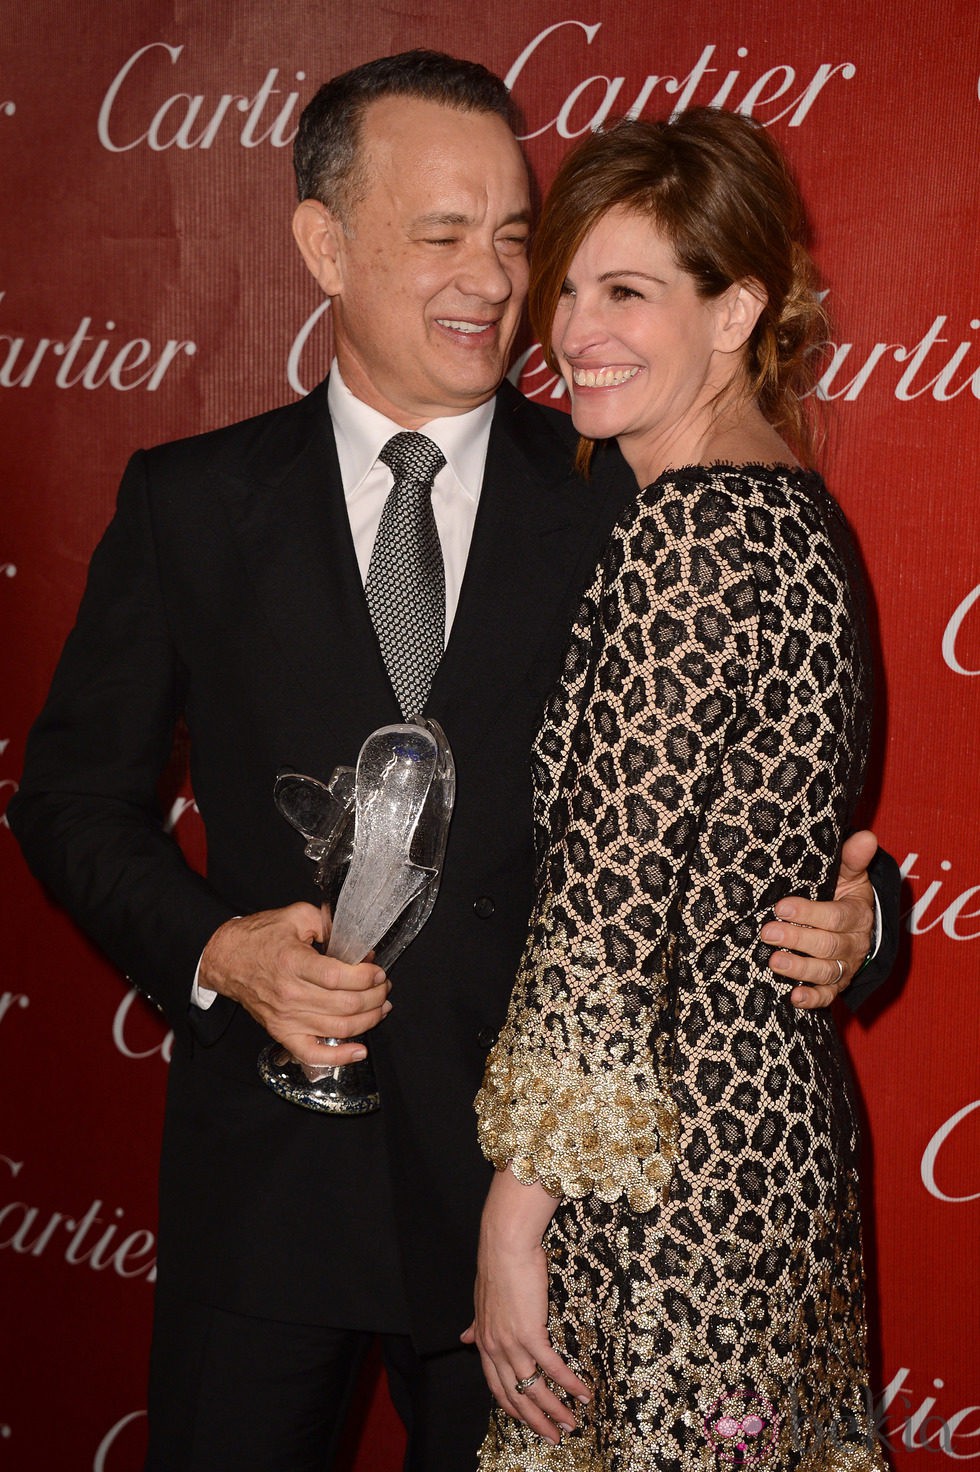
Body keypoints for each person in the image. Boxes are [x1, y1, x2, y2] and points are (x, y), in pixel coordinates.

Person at [9, 55, 896, 1472]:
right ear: (322, 243)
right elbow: (68, 801)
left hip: (534, 1217)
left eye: (512, 235)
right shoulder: (190, 503)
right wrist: (219, 951)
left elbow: (723, 791)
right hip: (271, 1182)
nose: (492, 279)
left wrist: (855, 919)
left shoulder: (630, 485)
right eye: (440, 234)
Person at [468, 111, 888, 1470]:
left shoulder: (694, 529)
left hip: (664, 1183)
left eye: (630, 290)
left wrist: (512, 1221)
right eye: (570, 290)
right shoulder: (792, 512)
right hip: (763, 1151)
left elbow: (607, 913)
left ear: (736, 310)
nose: (577, 328)